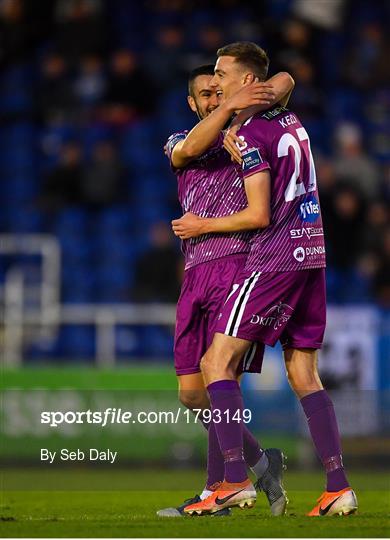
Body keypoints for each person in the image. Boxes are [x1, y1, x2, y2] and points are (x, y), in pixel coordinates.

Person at [172, 42, 357, 517]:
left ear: (248, 83)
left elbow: (257, 212)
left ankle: (233, 480)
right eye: (207, 85)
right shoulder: (282, 119)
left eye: (222, 76)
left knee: (218, 365)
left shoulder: (250, 132)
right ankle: (337, 486)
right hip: (310, 251)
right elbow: (283, 81)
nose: (217, 85)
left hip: (267, 259)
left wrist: (200, 225)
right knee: (300, 372)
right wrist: (244, 106)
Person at [158, 65, 294, 517]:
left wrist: (243, 105)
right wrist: (232, 107)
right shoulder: (183, 140)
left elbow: (286, 79)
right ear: (192, 104)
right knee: (192, 394)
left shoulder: (248, 138)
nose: (215, 99)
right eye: (205, 95)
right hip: (194, 272)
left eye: (220, 91)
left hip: (236, 267)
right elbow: (189, 149)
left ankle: (219, 489)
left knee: (222, 379)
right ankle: (260, 460)